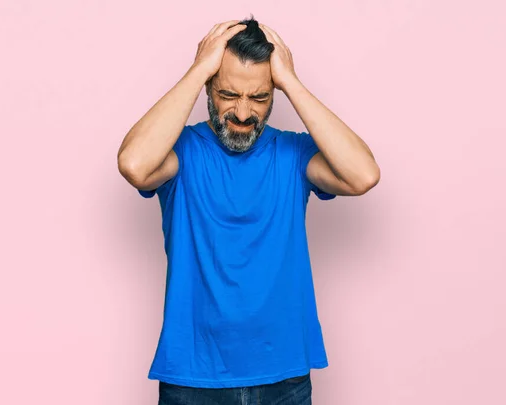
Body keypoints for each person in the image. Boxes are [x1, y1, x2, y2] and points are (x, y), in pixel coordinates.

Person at [117, 16, 380, 405]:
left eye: (259, 97)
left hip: (284, 378)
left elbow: (363, 175)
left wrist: (290, 81)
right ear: (208, 87)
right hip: (193, 379)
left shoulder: (292, 153)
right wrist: (198, 69)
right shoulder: (182, 153)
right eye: (227, 94)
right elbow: (134, 164)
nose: (243, 112)